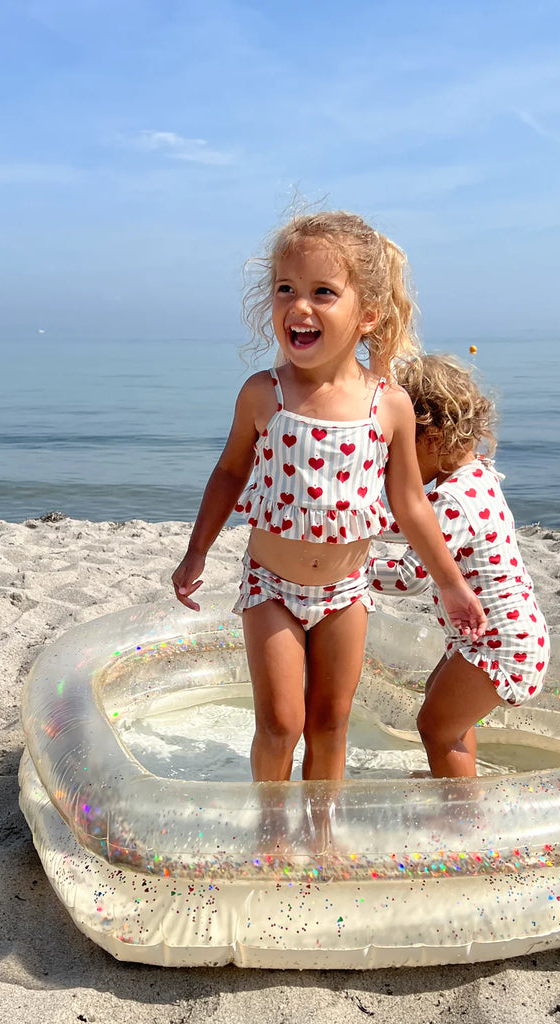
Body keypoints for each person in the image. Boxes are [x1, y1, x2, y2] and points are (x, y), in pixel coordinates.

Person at [172, 212, 487, 784]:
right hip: (271, 585)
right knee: (280, 724)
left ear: (367, 313)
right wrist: (197, 552)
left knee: (330, 724)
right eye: (285, 289)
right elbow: (228, 473)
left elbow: (412, 505)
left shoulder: (387, 405)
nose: (300, 306)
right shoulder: (263, 394)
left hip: (346, 592)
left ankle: (320, 836)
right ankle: (269, 827)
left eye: (323, 292)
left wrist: (451, 582)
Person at [368, 354, 549, 778]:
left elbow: (410, 576)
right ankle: (455, 785)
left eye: (400, 446)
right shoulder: (477, 476)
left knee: (435, 726)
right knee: (445, 709)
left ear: (430, 435)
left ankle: (460, 815)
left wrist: (351, 568)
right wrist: (358, 521)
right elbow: (413, 524)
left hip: (500, 640)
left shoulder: (453, 500)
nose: (396, 462)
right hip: (501, 633)